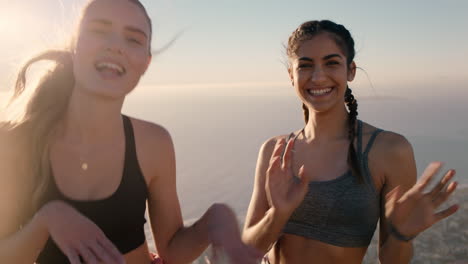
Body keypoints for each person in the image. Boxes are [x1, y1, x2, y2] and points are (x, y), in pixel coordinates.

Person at [0, 0, 260, 263]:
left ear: (146, 63)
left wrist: (215, 219)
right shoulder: (15, 141)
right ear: (74, 47)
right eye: (100, 30)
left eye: (133, 40)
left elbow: (172, 251)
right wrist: (47, 221)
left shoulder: (154, 143)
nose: (115, 46)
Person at [242, 20, 459, 264]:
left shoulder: (389, 151)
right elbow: (247, 250)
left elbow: (392, 260)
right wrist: (278, 215)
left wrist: (400, 235)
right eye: (305, 65)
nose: (318, 76)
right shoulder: (274, 150)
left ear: (351, 71)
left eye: (331, 63)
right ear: (292, 75)